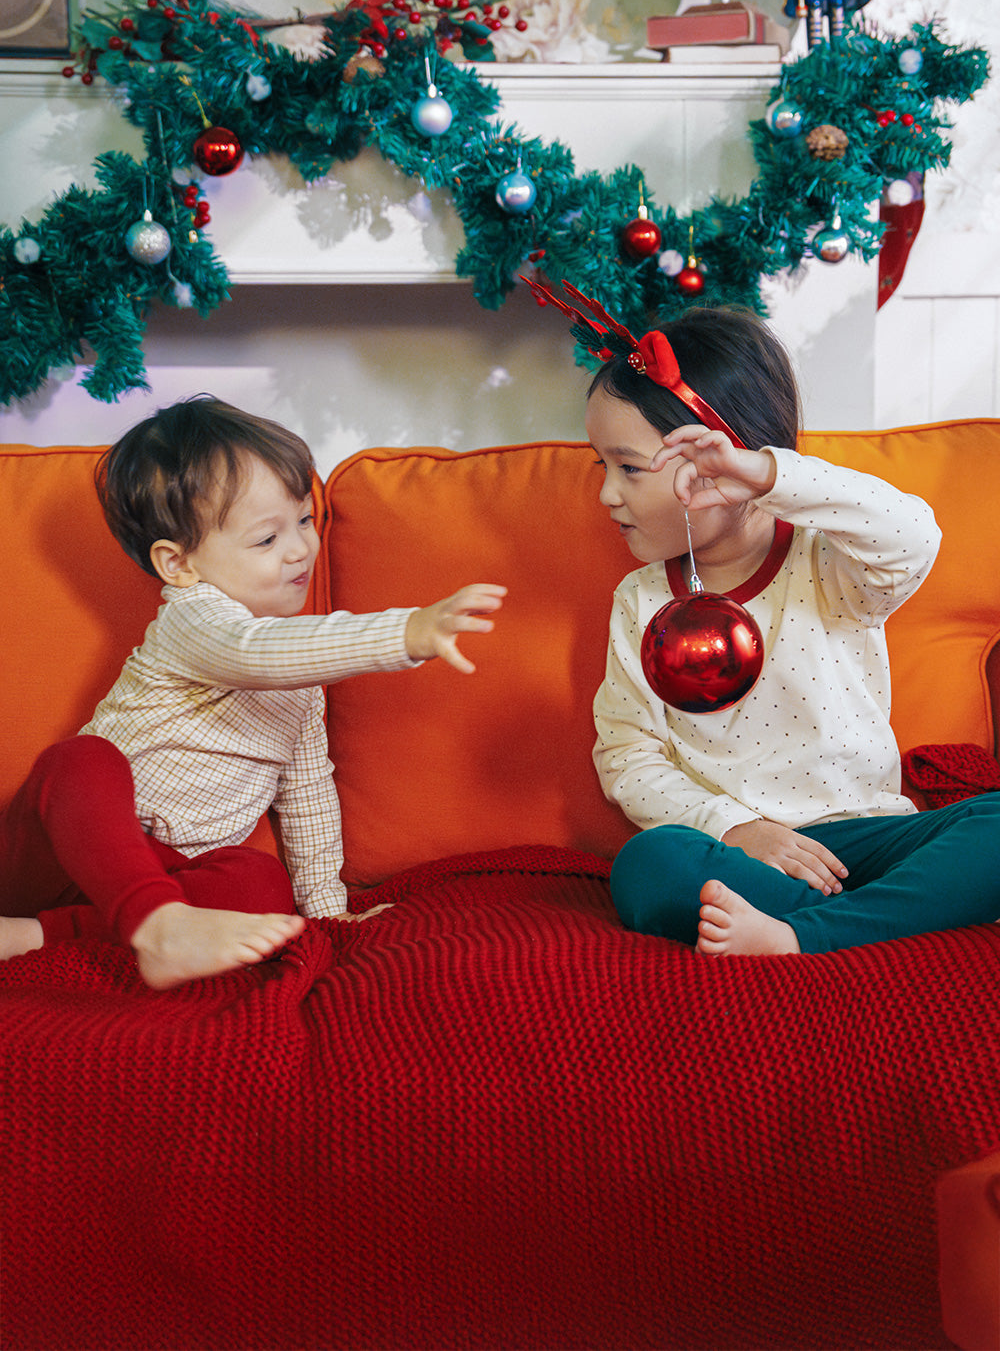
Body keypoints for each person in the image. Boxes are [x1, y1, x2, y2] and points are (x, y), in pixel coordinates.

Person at [525, 278, 1000, 957]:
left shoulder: (832, 563)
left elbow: (912, 536)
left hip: (861, 837)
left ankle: (807, 935)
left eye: (629, 469)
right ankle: (872, 926)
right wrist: (736, 827)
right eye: (602, 465)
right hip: (740, 855)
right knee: (649, 864)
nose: (606, 493)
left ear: (720, 461)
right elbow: (629, 758)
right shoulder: (641, 603)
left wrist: (770, 475)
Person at [0, 396, 505, 989]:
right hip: (66, 853)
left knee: (259, 883)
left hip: (172, 881)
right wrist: (406, 631)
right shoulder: (194, 619)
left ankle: (48, 935)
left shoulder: (299, 679)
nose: (300, 549)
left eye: (305, 520)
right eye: (267, 539)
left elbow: (307, 797)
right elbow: (254, 651)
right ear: (178, 564)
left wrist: (327, 910)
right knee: (80, 761)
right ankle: (150, 923)